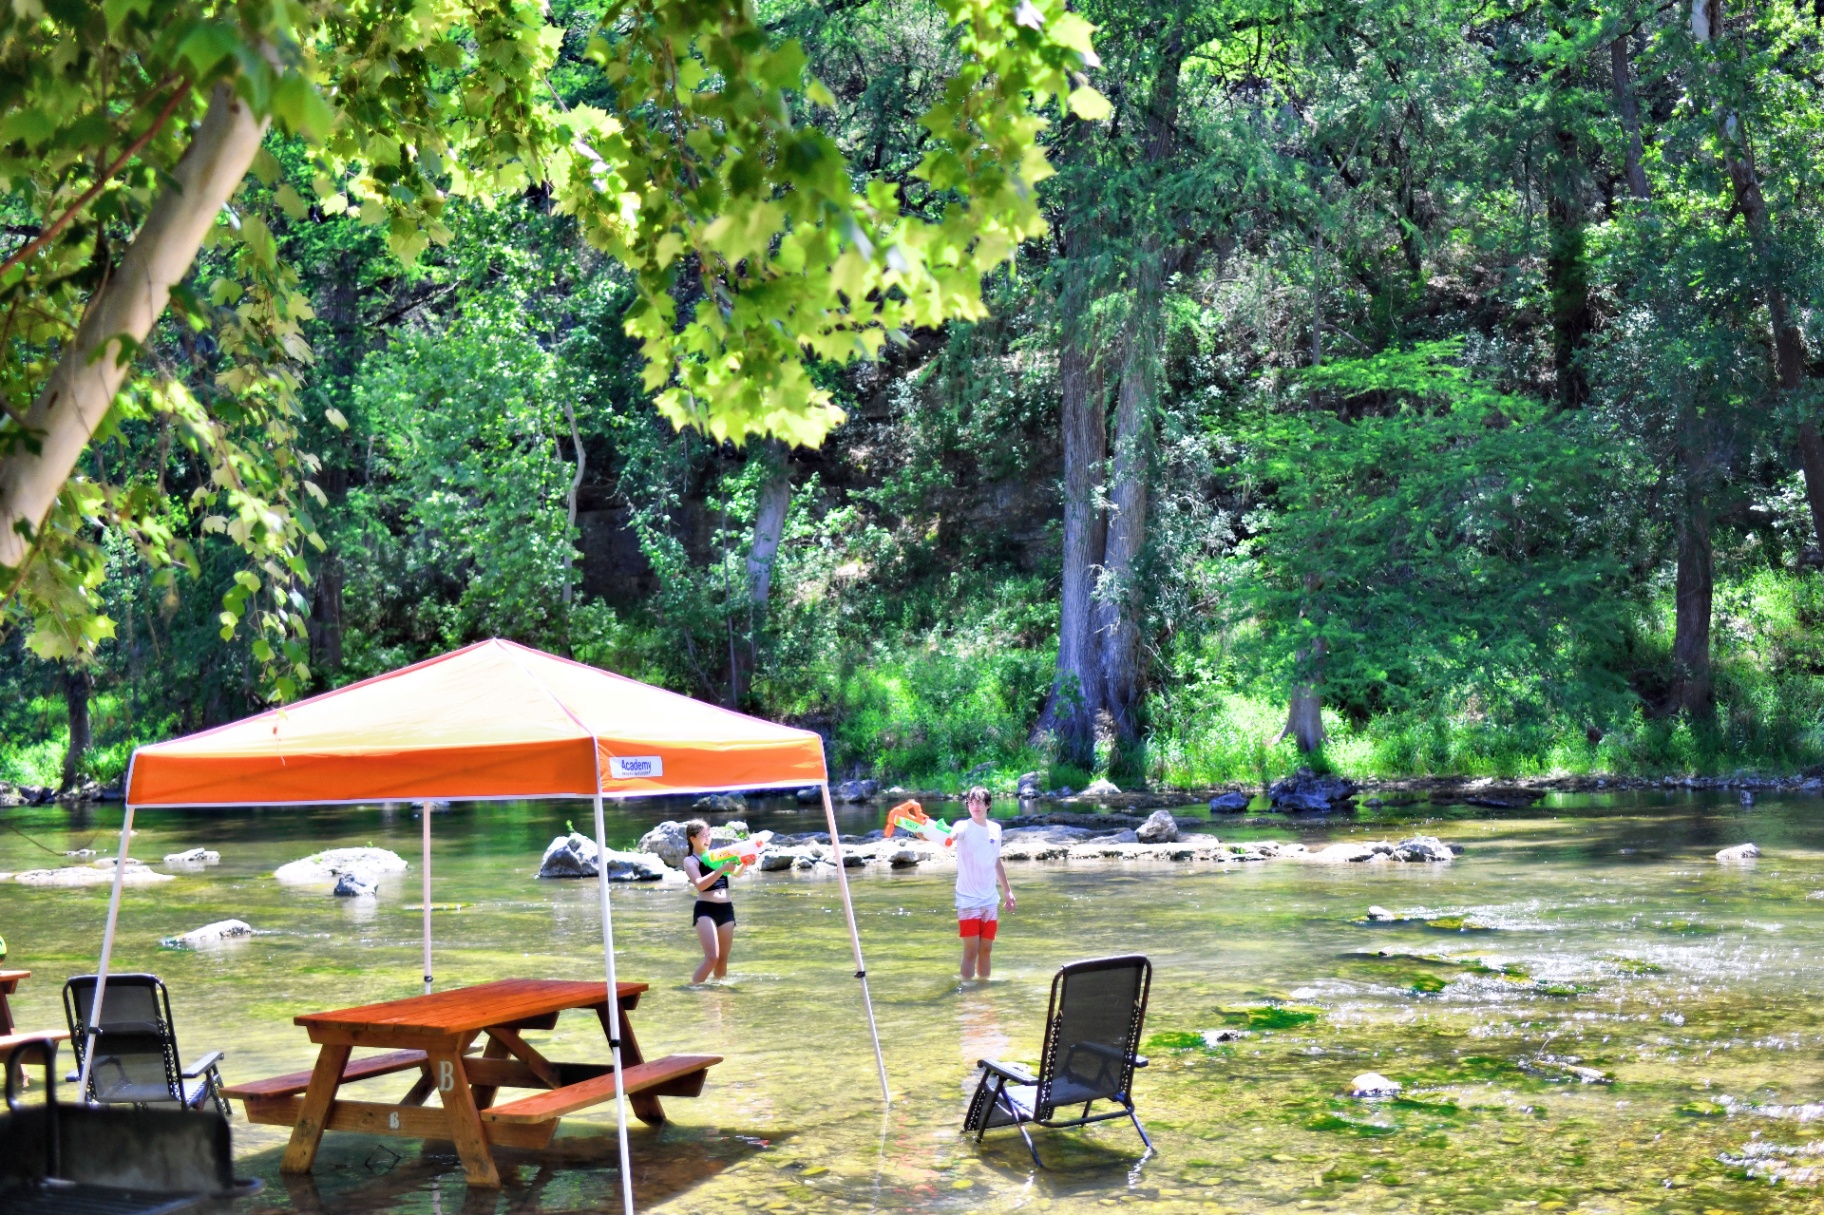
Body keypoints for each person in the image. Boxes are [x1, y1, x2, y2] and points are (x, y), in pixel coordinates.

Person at [952, 786, 1014, 981]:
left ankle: (984, 992)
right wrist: (938, 835)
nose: (974, 806)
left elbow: (995, 861)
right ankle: (967, 989)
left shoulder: (995, 829)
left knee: (986, 950)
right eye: (971, 802)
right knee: (971, 950)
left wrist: (1008, 892)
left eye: (979, 801)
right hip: (968, 900)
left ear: (988, 805)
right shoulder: (963, 826)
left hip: (989, 899)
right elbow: (951, 835)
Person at [681, 819, 744, 983]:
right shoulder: (691, 860)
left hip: (726, 910)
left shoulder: (717, 856)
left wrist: (745, 863)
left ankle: (718, 994)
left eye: (709, 835)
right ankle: (693, 988)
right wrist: (722, 868)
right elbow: (700, 885)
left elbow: (736, 873)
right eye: (704, 836)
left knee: (723, 959)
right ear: (692, 838)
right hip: (706, 910)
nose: (708, 839)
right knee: (712, 957)